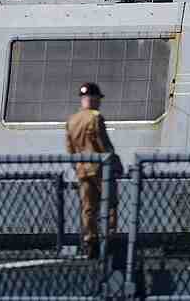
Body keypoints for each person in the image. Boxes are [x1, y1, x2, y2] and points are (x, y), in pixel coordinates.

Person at [65, 82, 121, 259]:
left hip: (82, 169)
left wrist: (77, 166)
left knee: (88, 207)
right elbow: (103, 144)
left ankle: (90, 241)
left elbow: (70, 149)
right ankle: (109, 238)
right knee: (110, 203)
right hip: (100, 169)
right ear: (95, 99)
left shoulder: (72, 120)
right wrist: (115, 162)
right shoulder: (96, 118)